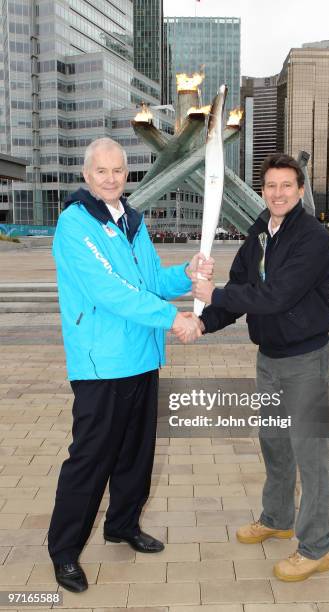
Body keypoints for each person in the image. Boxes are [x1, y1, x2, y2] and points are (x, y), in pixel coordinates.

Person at [49, 137, 210, 593]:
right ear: (87, 175)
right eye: (101, 171)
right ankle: (63, 551)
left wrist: (188, 271)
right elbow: (110, 291)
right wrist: (172, 319)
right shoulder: (74, 225)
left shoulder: (133, 223)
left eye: (118, 170)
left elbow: (150, 280)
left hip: (142, 358)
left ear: (127, 174)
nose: (111, 178)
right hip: (102, 364)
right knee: (90, 460)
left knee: (136, 456)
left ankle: (122, 525)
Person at [192, 153, 329, 582]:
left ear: (300, 189)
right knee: (274, 444)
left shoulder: (312, 239)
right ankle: (277, 517)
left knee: (310, 455)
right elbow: (241, 289)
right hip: (269, 359)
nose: (277, 193)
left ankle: (316, 548)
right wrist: (203, 322)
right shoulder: (258, 233)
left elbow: (275, 296)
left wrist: (214, 295)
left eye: (286, 186)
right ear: (263, 190)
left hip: (305, 360)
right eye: (270, 186)